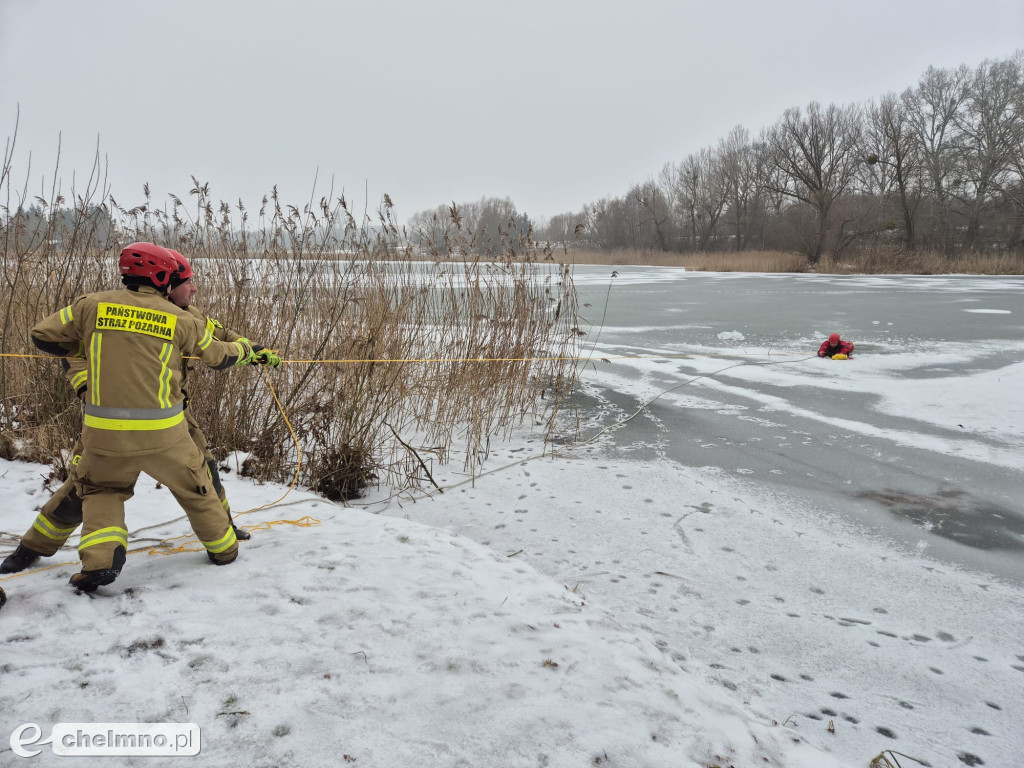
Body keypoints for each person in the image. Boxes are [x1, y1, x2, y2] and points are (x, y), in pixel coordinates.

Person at [0, 249, 281, 577]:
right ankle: (32, 548)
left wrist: (254, 350)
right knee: (83, 491)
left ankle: (224, 531)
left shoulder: (174, 312)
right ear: (167, 281)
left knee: (190, 478)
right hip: (144, 425)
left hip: (152, 419)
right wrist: (87, 384)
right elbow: (219, 354)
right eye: (188, 283)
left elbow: (222, 336)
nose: (194, 289)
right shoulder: (170, 317)